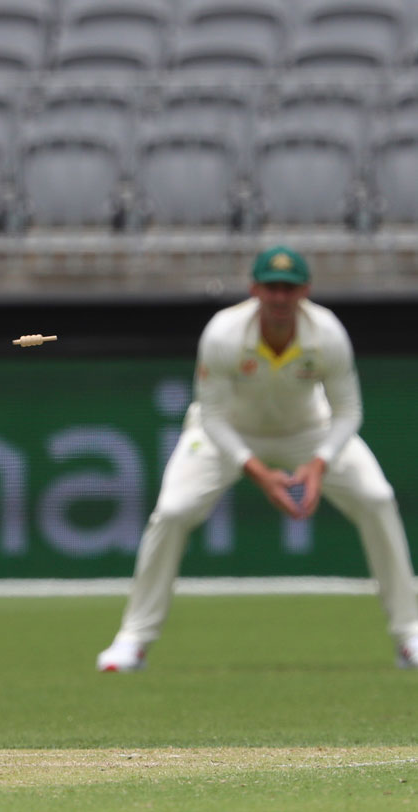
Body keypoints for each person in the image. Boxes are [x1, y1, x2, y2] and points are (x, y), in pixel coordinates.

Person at [97, 246, 418, 672]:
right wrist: (260, 473)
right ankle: (133, 640)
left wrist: (318, 464)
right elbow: (210, 414)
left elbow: (348, 413)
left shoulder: (328, 334)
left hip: (309, 431)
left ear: (304, 290)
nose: (280, 297)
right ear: (254, 289)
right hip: (227, 432)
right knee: (172, 511)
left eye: (288, 288)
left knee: (377, 498)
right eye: (271, 287)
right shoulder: (223, 334)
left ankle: (409, 633)